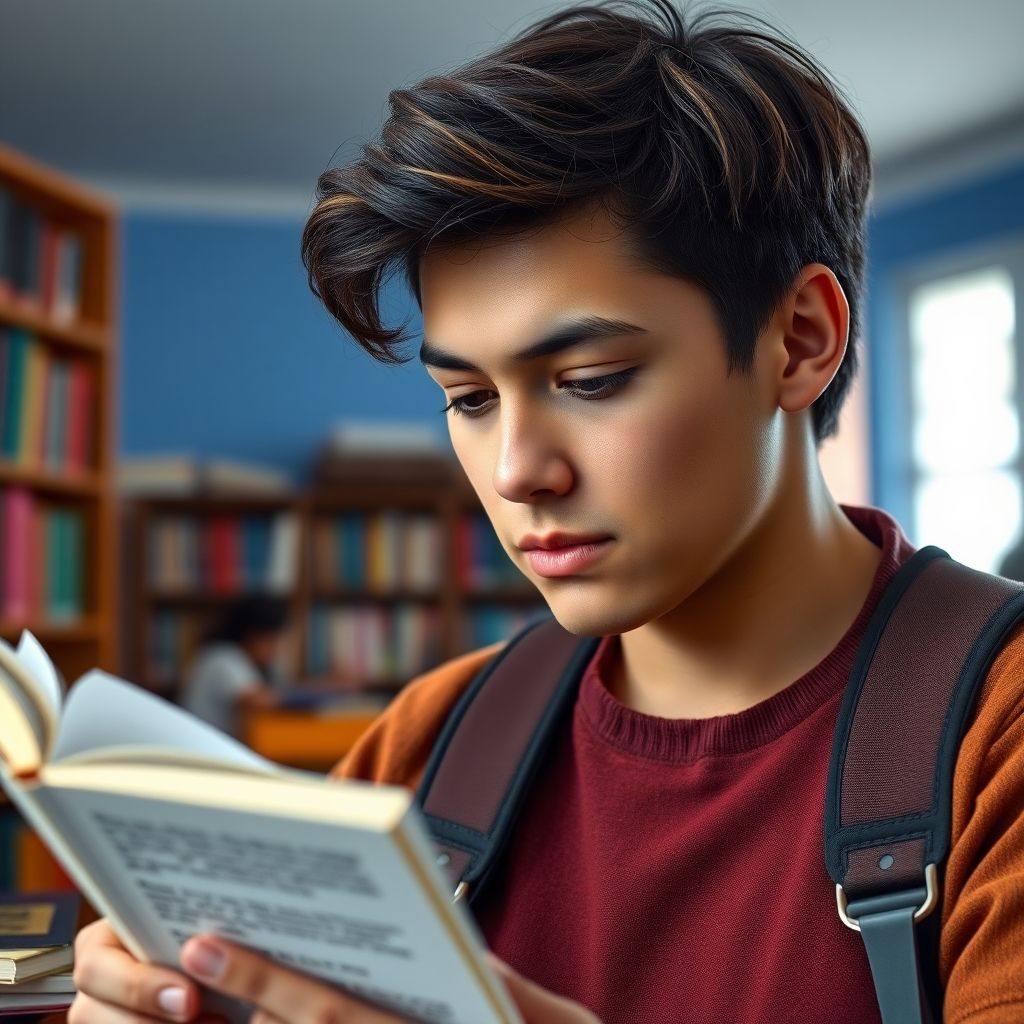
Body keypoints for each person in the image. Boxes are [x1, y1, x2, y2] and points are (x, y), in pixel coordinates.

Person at [70, 2, 1024, 1022]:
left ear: (799, 341)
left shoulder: (995, 733)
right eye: (469, 400)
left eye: (592, 377)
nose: (517, 469)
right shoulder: (426, 745)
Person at [178, 593, 291, 738]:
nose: (275, 648)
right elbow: (257, 700)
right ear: (249, 635)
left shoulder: (257, 663)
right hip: (201, 749)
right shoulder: (222, 657)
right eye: (270, 640)